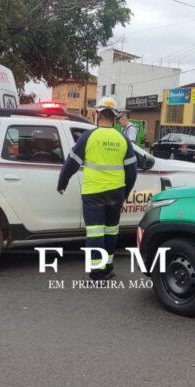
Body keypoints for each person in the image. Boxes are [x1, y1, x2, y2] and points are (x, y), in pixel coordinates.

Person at [57, 98, 138, 281]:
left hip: (93, 194)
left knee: (95, 233)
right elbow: (132, 171)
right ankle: (108, 267)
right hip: (116, 193)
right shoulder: (123, 139)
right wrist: (125, 193)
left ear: (98, 115)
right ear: (115, 117)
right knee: (111, 231)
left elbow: (71, 163)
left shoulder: (88, 137)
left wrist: (62, 183)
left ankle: (97, 272)